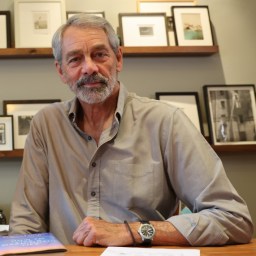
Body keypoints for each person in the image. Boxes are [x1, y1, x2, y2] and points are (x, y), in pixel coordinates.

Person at [9, 14, 253, 247]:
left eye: (100, 54)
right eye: (75, 59)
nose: (89, 68)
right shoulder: (46, 124)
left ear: (119, 59)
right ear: (61, 71)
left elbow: (234, 219)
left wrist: (134, 232)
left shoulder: (166, 121)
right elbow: (25, 225)